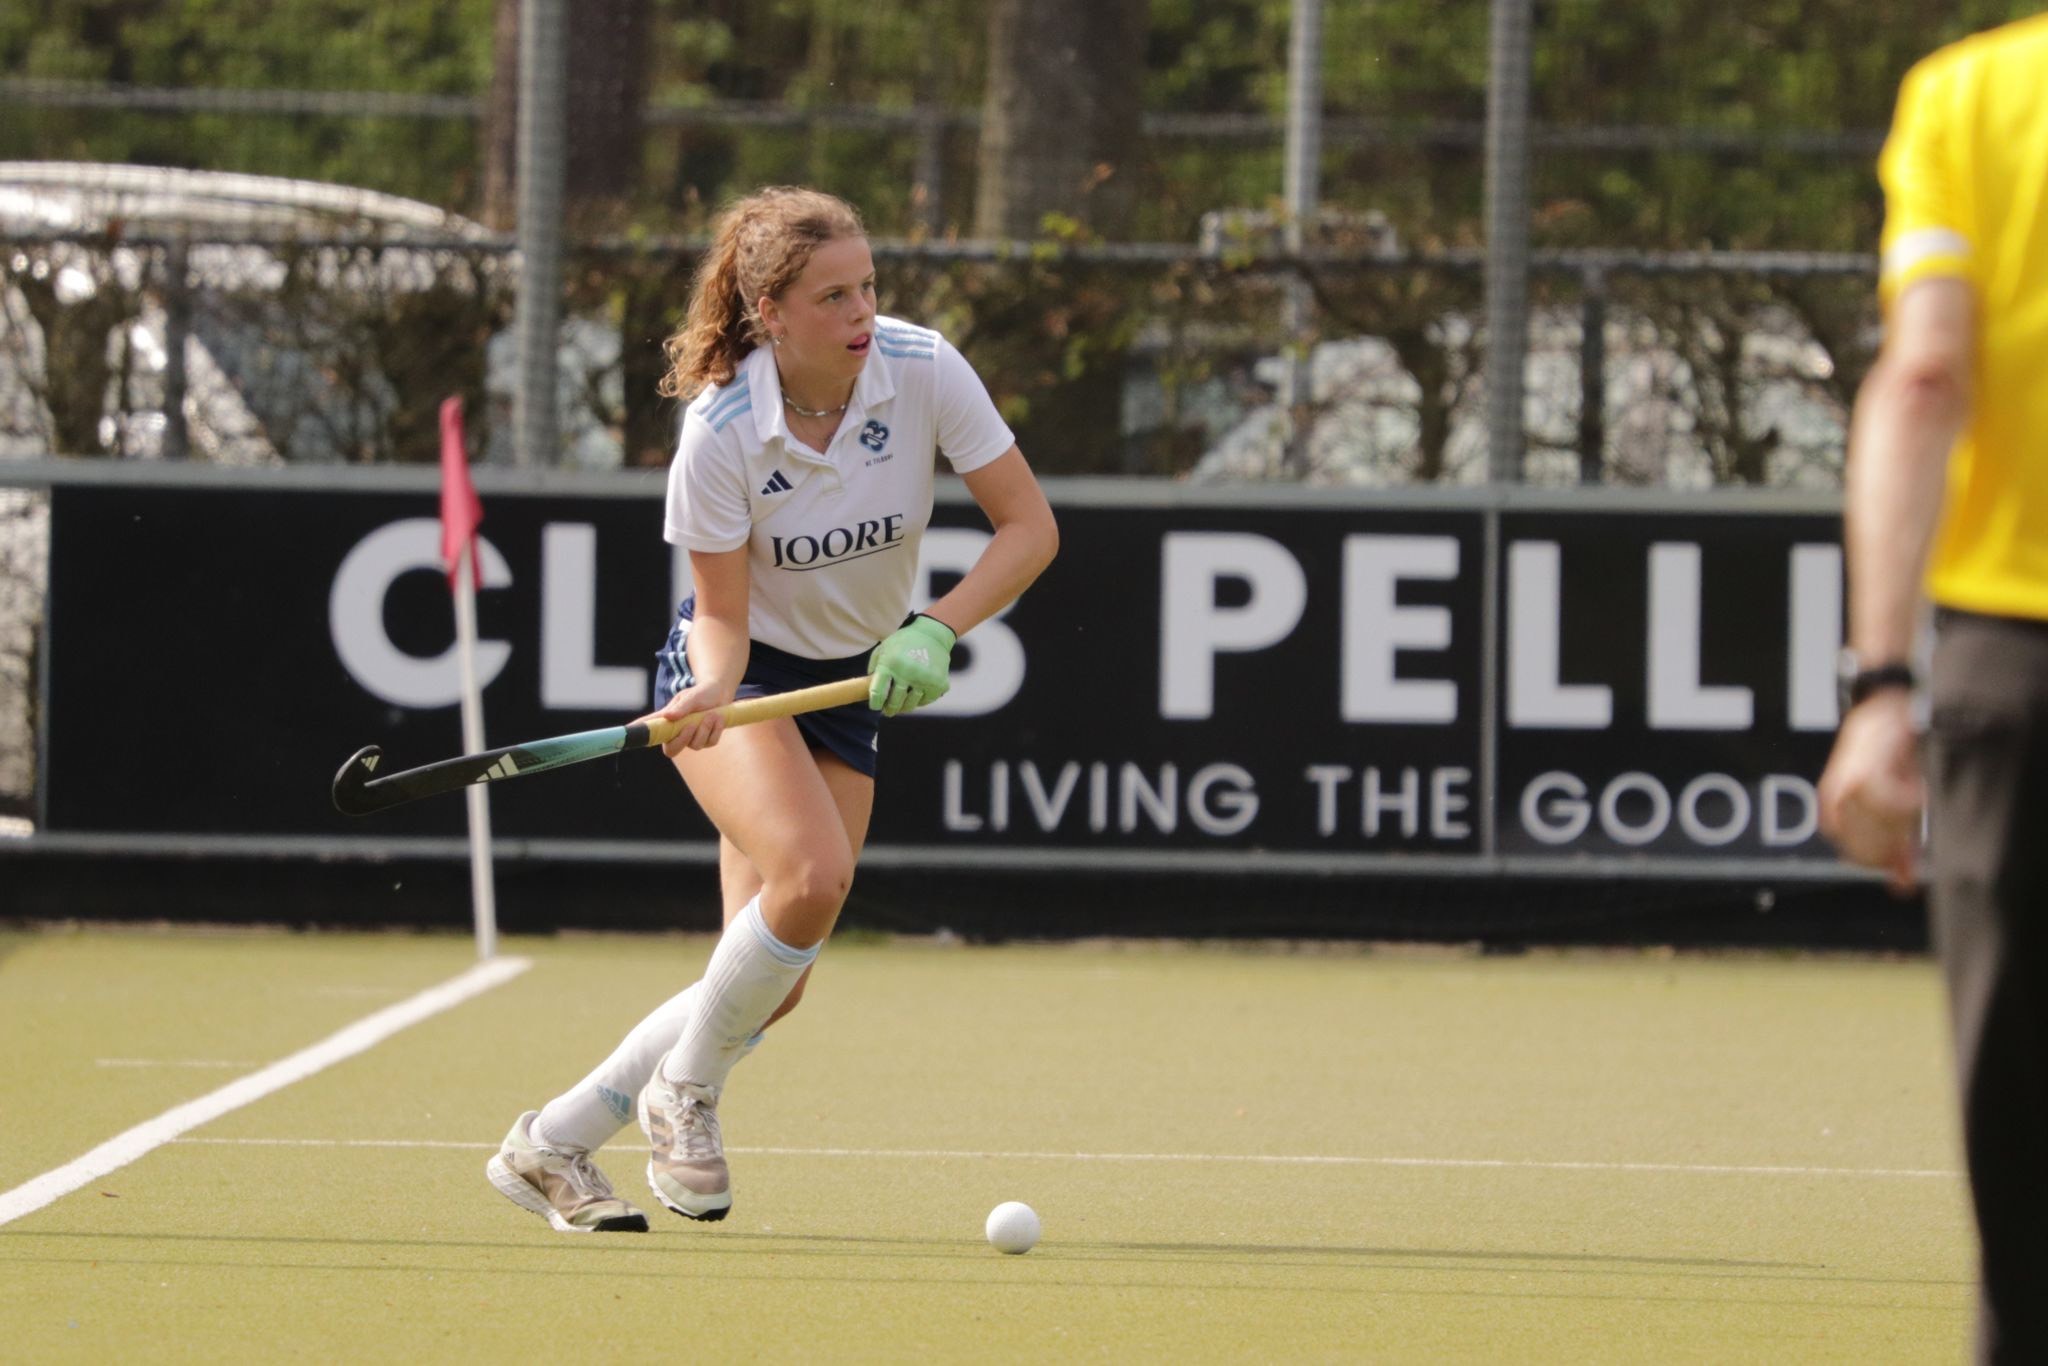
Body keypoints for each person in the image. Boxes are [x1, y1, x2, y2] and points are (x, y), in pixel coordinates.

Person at [486, 185, 1058, 1233]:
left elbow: (1029, 527)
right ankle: (683, 1093)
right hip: (744, 680)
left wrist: (936, 627)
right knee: (812, 875)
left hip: (851, 683)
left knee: (768, 980)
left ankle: (550, 1145)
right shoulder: (719, 432)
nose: (862, 312)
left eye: (867, 286)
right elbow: (719, 613)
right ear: (770, 312)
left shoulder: (923, 368)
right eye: (833, 296)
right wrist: (709, 689)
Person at [1817, 16, 2048, 1362]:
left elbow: (1923, 374)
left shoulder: (1971, 96)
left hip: (2015, 669)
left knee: (2021, 1125)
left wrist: (1881, 683)